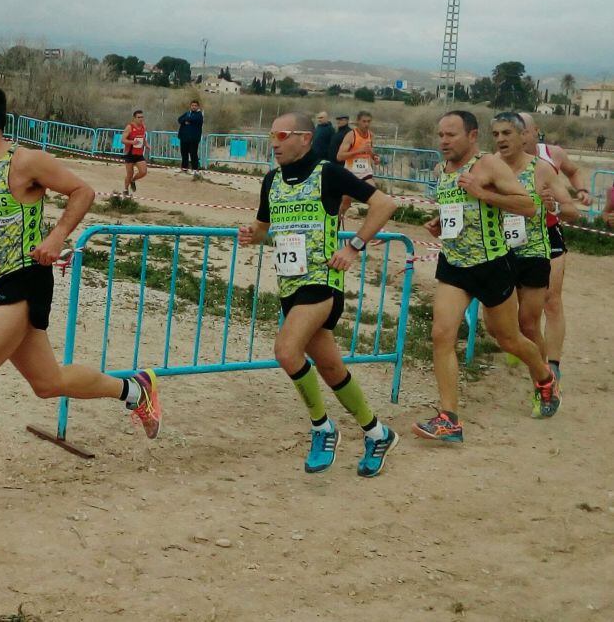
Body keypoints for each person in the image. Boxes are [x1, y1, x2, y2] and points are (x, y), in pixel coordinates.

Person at [0, 78, 162, 524]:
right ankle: (136, 389)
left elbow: (83, 191)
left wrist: (57, 235)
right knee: (47, 381)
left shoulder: (24, 162)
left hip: (25, 279)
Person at [239, 112, 399, 477]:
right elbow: (264, 227)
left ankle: (322, 428)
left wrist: (355, 246)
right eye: (271, 135)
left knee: (285, 350)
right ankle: (377, 433)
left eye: (281, 134)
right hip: (289, 285)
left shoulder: (327, 173)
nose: (274, 142)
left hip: (322, 283)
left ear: (305, 138)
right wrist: (253, 235)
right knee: (329, 367)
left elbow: (385, 204)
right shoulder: (271, 180)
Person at [411, 111, 561, 443]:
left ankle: (544, 378)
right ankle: (449, 419)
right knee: (441, 334)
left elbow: (527, 205)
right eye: (440, 135)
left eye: (450, 135)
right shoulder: (443, 170)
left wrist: (483, 193)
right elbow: (458, 208)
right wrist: (440, 221)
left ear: (472, 135)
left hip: (491, 264)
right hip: (454, 265)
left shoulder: (490, 165)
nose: (443, 141)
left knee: (506, 337)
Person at [492, 112, 579, 416]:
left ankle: (543, 387)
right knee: (500, 328)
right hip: (498, 252)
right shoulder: (489, 166)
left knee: (529, 323)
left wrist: (553, 204)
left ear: (523, 137)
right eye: (496, 134)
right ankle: (529, 359)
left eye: (507, 134)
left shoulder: (541, 169)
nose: (501, 140)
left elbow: (571, 211)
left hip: (533, 253)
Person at [520, 113, 593, 382]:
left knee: (551, 300)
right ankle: (523, 346)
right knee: (522, 306)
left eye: (523, 130)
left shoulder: (553, 155)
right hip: (515, 237)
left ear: (535, 132)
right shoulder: (499, 160)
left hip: (549, 232)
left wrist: (581, 189)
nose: (518, 136)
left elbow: (573, 172)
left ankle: (553, 364)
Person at [336, 111, 380, 187]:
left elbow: (370, 152)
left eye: (369, 121)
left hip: (366, 172)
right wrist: (359, 151)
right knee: (346, 199)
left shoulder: (371, 135)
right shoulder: (351, 135)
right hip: (351, 172)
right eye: (364, 121)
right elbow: (339, 157)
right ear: (358, 122)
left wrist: (375, 157)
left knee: (372, 191)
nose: (366, 124)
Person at [121, 110, 150, 197]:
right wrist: (132, 142)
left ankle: (133, 180)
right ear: (134, 118)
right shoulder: (129, 127)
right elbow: (123, 140)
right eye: (139, 117)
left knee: (143, 172)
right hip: (129, 154)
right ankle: (125, 189)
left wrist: (147, 144)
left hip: (139, 154)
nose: (141, 119)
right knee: (129, 174)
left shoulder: (143, 127)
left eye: (142, 117)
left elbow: (143, 137)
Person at [177, 100, 203, 174]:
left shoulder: (199, 115)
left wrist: (186, 120)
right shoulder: (187, 113)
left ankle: (195, 169)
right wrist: (185, 120)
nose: (193, 107)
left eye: (195, 105)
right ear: (190, 106)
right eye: (192, 105)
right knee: (184, 153)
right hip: (184, 137)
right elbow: (179, 119)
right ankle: (184, 168)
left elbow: (193, 119)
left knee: (193, 153)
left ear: (198, 106)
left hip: (194, 138)